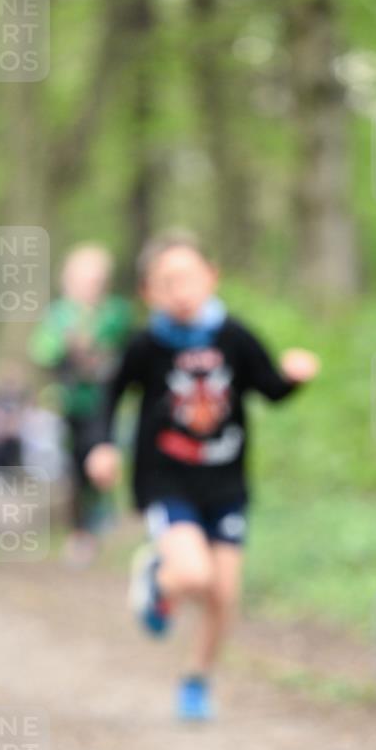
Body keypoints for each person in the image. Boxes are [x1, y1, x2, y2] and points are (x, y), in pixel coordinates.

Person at [84, 230, 319, 720]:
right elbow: (110, 394)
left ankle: (196, 678)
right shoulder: (146, 344)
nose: (180, 291)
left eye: (188, 278)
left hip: (226, 482)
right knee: (194, 573)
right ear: (148, 292)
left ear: (212, 276)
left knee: (223, 594)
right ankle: (159, 578)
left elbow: (269, 388)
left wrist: (294, 376)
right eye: (166, 283)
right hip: (166, 479)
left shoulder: (234, 335)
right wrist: (102, 446)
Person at [29, 244, 133, 567]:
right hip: (72, 402)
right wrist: (68, 345)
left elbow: (129, 349)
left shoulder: (116, 311)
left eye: (96, 279)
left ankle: (103, 519)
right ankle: (80, 531)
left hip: (107, 401)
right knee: (74, 466)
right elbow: (42, 351)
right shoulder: (58, 314)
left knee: (101, 459)